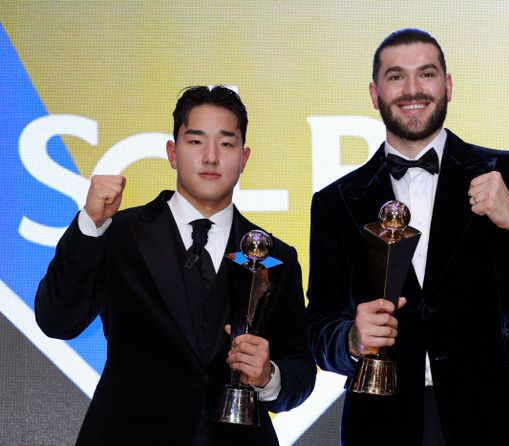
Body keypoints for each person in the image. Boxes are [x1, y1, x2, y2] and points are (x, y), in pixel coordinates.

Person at [307, 28, 509, 446]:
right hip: (383, 425)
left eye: (426, 74)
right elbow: (319, 328)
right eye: (396, 76)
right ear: (374, 93)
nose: (412, 89)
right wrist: (351, 338)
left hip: (499, 420)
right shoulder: (335, 202)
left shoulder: (508, 173)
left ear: (448, 86)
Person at [35, 85, 315, 445]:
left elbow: (300, 371)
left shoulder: (276, 256)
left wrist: (268, 376)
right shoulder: (118, 234)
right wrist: (90, 226)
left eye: (226, 143)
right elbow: (57, 320)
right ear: (172, 152)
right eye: (196, 141)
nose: (210, 157)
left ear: (244, 157)